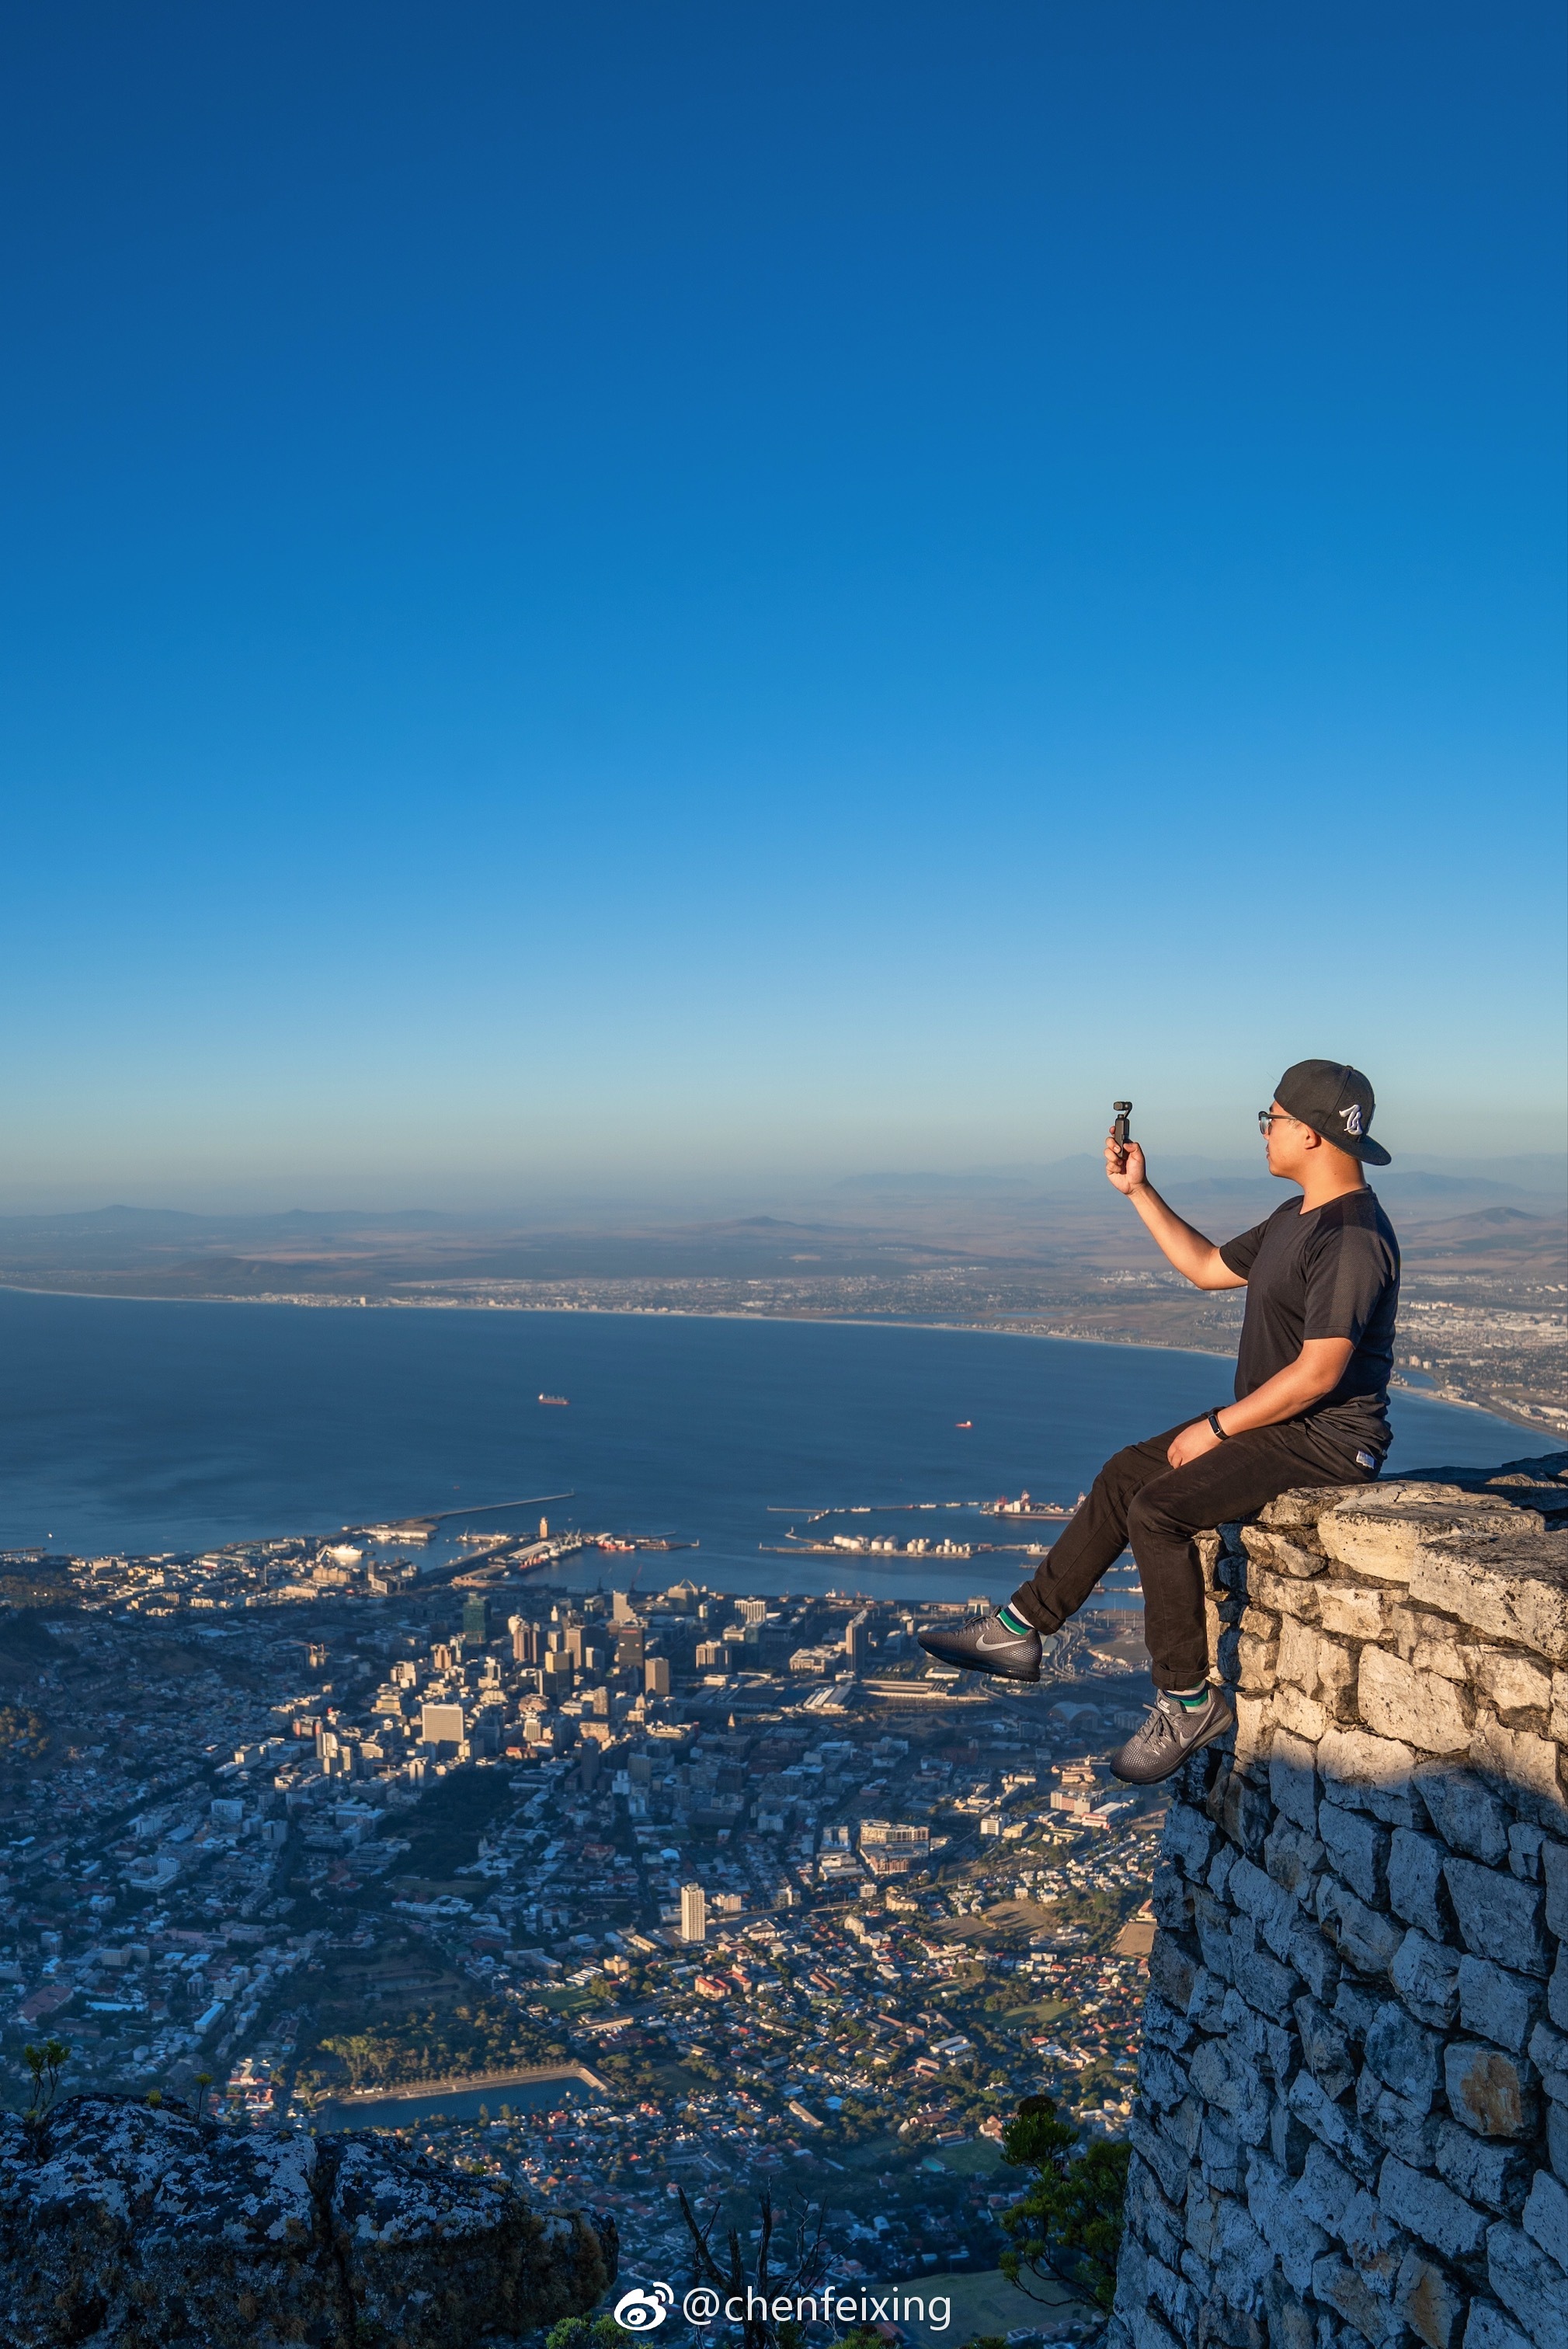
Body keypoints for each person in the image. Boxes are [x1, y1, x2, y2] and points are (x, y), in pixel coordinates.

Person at [917, 1060, 1399, 1785]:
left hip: (1327, 1441)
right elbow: (1205, 1267)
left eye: (1270, 1118)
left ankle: (1185, 1701)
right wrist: (1138, 1191)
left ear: (1307, 1132)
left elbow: (1320, 1372)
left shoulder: (1352, 1236)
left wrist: (1216, 1426)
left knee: (1160, 1510)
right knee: (1125, 1474)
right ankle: (1015, 1632)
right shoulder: (1293, 1218)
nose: (1263, 1131)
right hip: (1277, 1428)